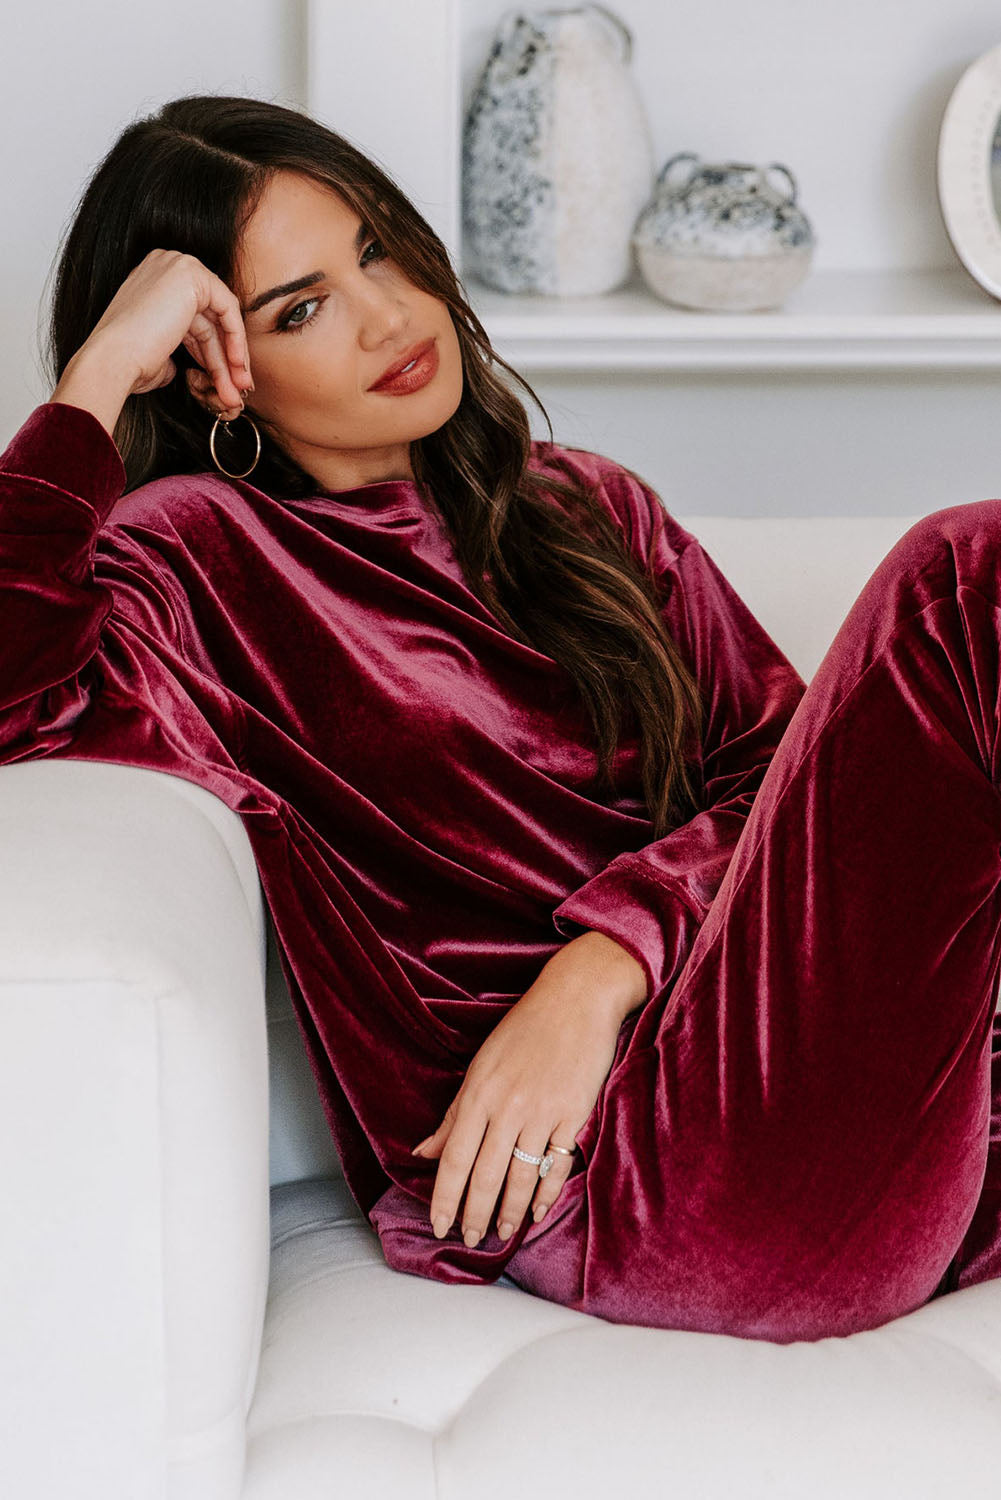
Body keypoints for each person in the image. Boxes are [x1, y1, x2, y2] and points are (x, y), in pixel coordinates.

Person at [3, 92, 1000, 1344]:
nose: (385, 315)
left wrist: (602, 965)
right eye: (298, 310)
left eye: (375, 248)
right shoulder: (195, 561)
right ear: (214, 375)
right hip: (641, 1184)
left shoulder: (584, 511)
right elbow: (14, 692)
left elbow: (781, 788)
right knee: (968, 584)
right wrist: (96, 375)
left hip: (850, 1102)